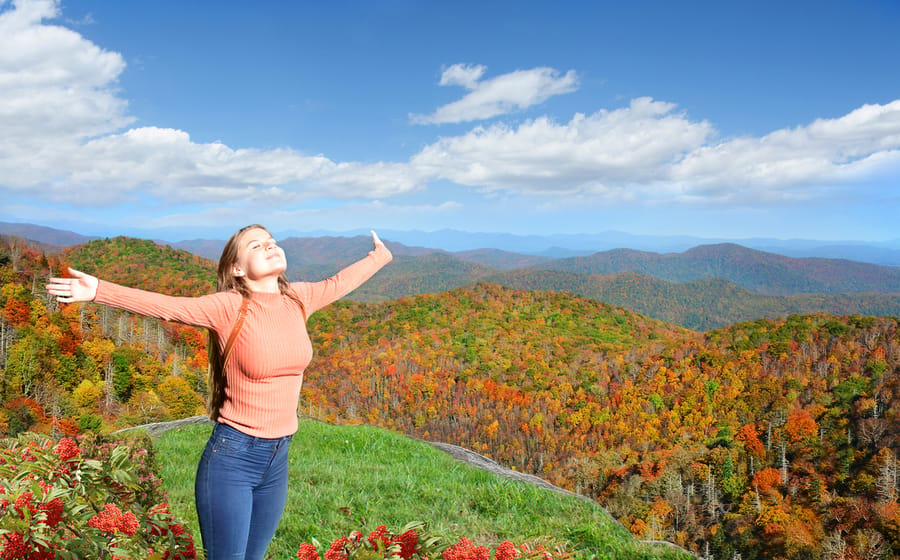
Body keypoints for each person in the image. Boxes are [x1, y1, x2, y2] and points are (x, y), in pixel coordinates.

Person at [46, 225, 392, 560]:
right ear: (237, 269)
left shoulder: (298, 298)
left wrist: (380, 256)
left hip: (278, 459)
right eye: (256, 245)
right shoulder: (228, 306)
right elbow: (168, 306)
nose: (270, 246)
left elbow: (340, 282)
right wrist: (99, 291)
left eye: (271, 241)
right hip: (233, 458)